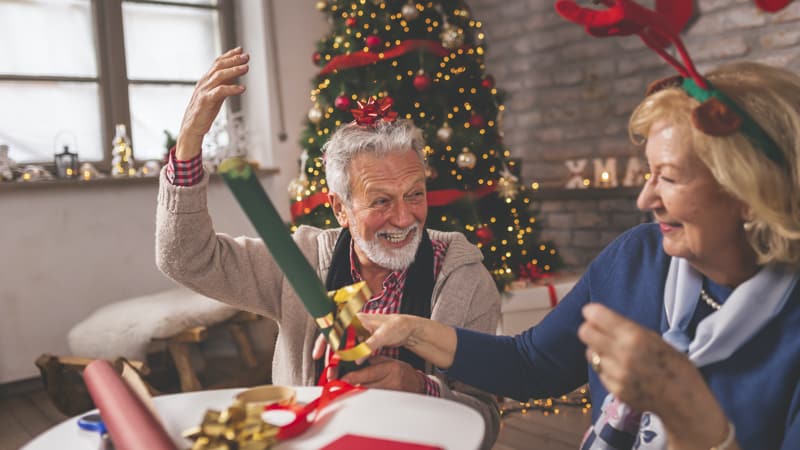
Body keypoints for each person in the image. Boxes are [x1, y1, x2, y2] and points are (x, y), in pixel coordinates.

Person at [355, 61, 800, 450]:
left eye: (668, 178)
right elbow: (533, 364)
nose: (647, 199)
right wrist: (410, 331)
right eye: (648, 174)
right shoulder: (638, 257)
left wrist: (694, 416)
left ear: (749, 190)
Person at [155, 47, 502, 447]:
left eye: (415, 194)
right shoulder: (299, 259)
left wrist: (420, 386)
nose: (405, 218)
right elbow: (185, 259)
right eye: (381, 201)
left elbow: (486, 422)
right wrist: (187, 146)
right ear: (340, 208)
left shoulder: (464, 279)